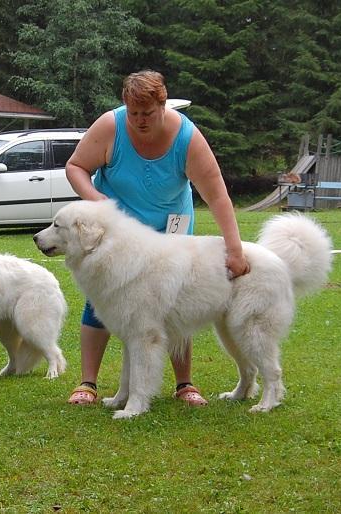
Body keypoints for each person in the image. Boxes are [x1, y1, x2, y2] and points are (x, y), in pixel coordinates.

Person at [65, 70, 250, 406]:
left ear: (163, 105)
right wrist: (97, 201)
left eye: (147, 113)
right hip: (117, 235)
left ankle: (185, 384)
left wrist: (235, 249)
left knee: (177, 303)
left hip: (171, 231)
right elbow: (76, 166)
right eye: (133, 113)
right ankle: (87, 383)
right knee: (101, 301)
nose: (139, 121)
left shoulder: (187, 138)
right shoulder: (110, 126)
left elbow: (218, 196)